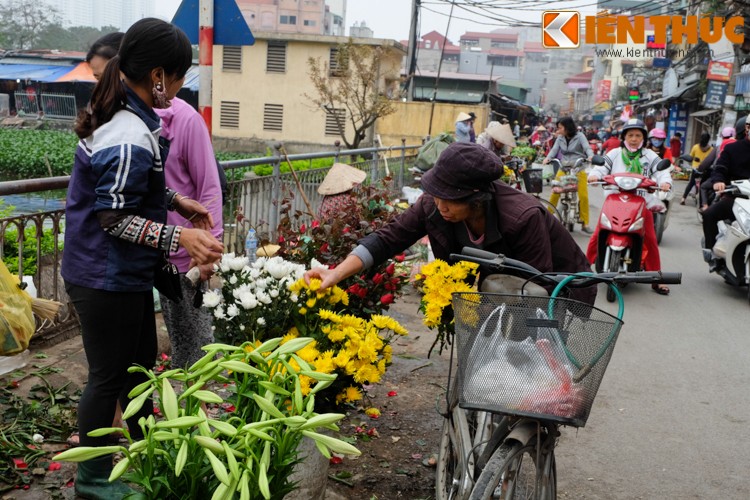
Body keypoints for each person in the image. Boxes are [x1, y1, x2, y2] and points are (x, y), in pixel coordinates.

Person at [61, 18, 223, 498]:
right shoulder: (128, 130)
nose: (177, 89)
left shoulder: (130, 118)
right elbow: (114, 218)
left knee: (139, 366)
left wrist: (176, 202)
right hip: (103, 272)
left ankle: (146, 454)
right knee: (109, 377)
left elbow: (137, 184)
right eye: (176, 78)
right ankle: (92, 480)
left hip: (122, 272)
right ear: (157, 74)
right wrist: (181, 239)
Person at [303, 142, 597, 305]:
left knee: (531, 383)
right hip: (494, 291)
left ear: (478, 198)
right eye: (437, 194)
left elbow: (537, 287)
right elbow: (387, 239)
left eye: (450, 199)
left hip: (556, 290)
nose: (440, 205)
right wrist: (335, 274)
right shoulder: (432, 206)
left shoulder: (523, 217)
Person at [155, 95, 224, 369]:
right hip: (153, 250)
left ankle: (201, 408)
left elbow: (209, 188)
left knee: (199, 351)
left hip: (187, 254)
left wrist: (209, 250)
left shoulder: (186, 120)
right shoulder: (129, 115)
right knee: (180, 344)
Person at [586, 118, 672, 295]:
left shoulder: (650, 156)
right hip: (615, 201)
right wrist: (594, 175)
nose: (634, 139)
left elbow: (662, 172)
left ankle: (657, 279)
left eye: (638, 135)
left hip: (642, 203)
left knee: (650, 239)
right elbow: (600, 168)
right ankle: (583, 269)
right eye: (630, 135)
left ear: (643, 138)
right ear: (624, 136)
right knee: (597, 235)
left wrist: (665, 183)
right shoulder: (615, 153)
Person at [702, 116, 750, 269]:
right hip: (735, 197)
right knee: (709, 214)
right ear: (747, 128)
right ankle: (711, 251)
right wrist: (718, 181)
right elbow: (720, 168)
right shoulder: (732, 149)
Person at [542, 116, 593, 233]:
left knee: (584, 196)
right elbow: (554, 150)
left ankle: (585, 223)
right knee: (555, 192)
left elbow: (587, 148)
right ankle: (547, 218)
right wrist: (548, 158)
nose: (558, 130)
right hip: (564, 167)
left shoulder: (580, 136)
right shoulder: (560, 138)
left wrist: (590, 156)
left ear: (567, 127)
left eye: (560, 128)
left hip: (578, 168)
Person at [698, 126, 738, 211]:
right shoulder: (739, 146)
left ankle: (705, 206)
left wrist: (700, 168)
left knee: (703, 186)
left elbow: (707, 162)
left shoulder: (719, 147)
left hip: (719, 177)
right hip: (736, 180)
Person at [680, 132, 712, 205]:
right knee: (704, 186)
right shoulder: (711, 149)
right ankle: (703, 203)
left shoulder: (695, 147)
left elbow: (690, 158)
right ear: (708, 140)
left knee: (691, 184)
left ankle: (683, 198)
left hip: (696, 169)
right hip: (705, 170)